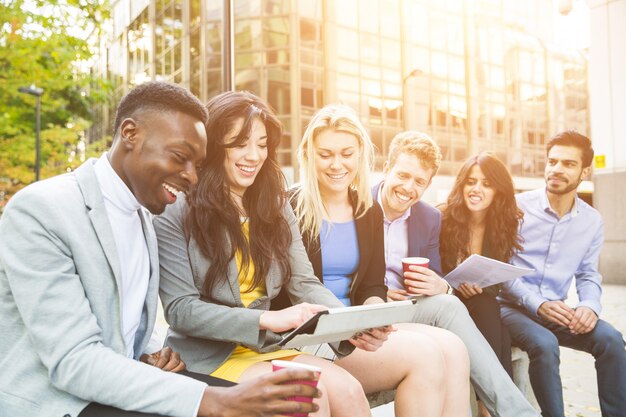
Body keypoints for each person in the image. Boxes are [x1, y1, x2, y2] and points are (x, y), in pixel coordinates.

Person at [0, 82, 321, 417]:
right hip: (59, 401)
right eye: (180, 158)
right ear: (130, 133)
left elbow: (123, 324)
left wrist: (152, 350)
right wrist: (214, 401)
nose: (193, 177)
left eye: (197, 164)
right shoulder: (41, 210)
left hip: (120, 383)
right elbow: (74, 359)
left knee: (284, 411)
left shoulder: (145, 213)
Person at [153, 91, 378, 417]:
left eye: (261, 144)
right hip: (209, 354)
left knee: (349, 391)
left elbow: (305, 282)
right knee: (307, 399)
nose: (253, 155)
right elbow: (180, 310)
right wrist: (264, 318)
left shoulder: (274, 202)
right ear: (216, 145)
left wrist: (353, 325)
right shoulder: (179, 209)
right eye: (241, 143)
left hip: (266, 346)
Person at [282, 104, 471, 417]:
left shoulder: (367, 209)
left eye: (346, 153)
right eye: (325, 154)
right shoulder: (289, 206)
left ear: (360, 154)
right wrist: (350, 325)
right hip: (311, 332)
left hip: (356, 326)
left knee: (454, 348)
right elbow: (295, 287)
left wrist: (373, 316)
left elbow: (372, 283)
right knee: (425, 355)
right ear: (308, 155)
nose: (336, 164)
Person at [373, 131, 539, 417]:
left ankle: (514, 412)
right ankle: (512, 411)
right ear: (386, 169)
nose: (408, 187)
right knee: (465, 322)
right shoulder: (359, 206)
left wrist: (441, 285)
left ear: (427, 185)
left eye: (419, 182)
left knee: (469, 308)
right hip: (372, 307)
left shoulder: (427, 217)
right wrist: (375, 291)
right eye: (402, 175)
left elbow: (435, 273)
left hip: (413, 306)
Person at [499, 130, 626, 417]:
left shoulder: (592, 221)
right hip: (509, 307)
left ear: (585, 171)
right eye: (552, 161)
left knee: (611, 340)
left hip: (557, 312)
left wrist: (589, 306)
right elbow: (501, 269)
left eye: (568, 164)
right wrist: (538, 304)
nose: (556, 169)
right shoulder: (516, 208)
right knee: (545, 344)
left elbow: (587, 274)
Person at [439, 152, 523, 417]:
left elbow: (495, 282)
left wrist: (480, 287)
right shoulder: (442, 219)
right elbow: (432, 272)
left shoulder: (501, 226)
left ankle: (491, 409)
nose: (476, 189)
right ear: (461, 185)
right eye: (471, 182)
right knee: (489, 312)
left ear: (498, 191)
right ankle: (496, 410)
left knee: (493, 316)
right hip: (445, 303)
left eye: (486, 184)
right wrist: (455, 288)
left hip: (479, 303)